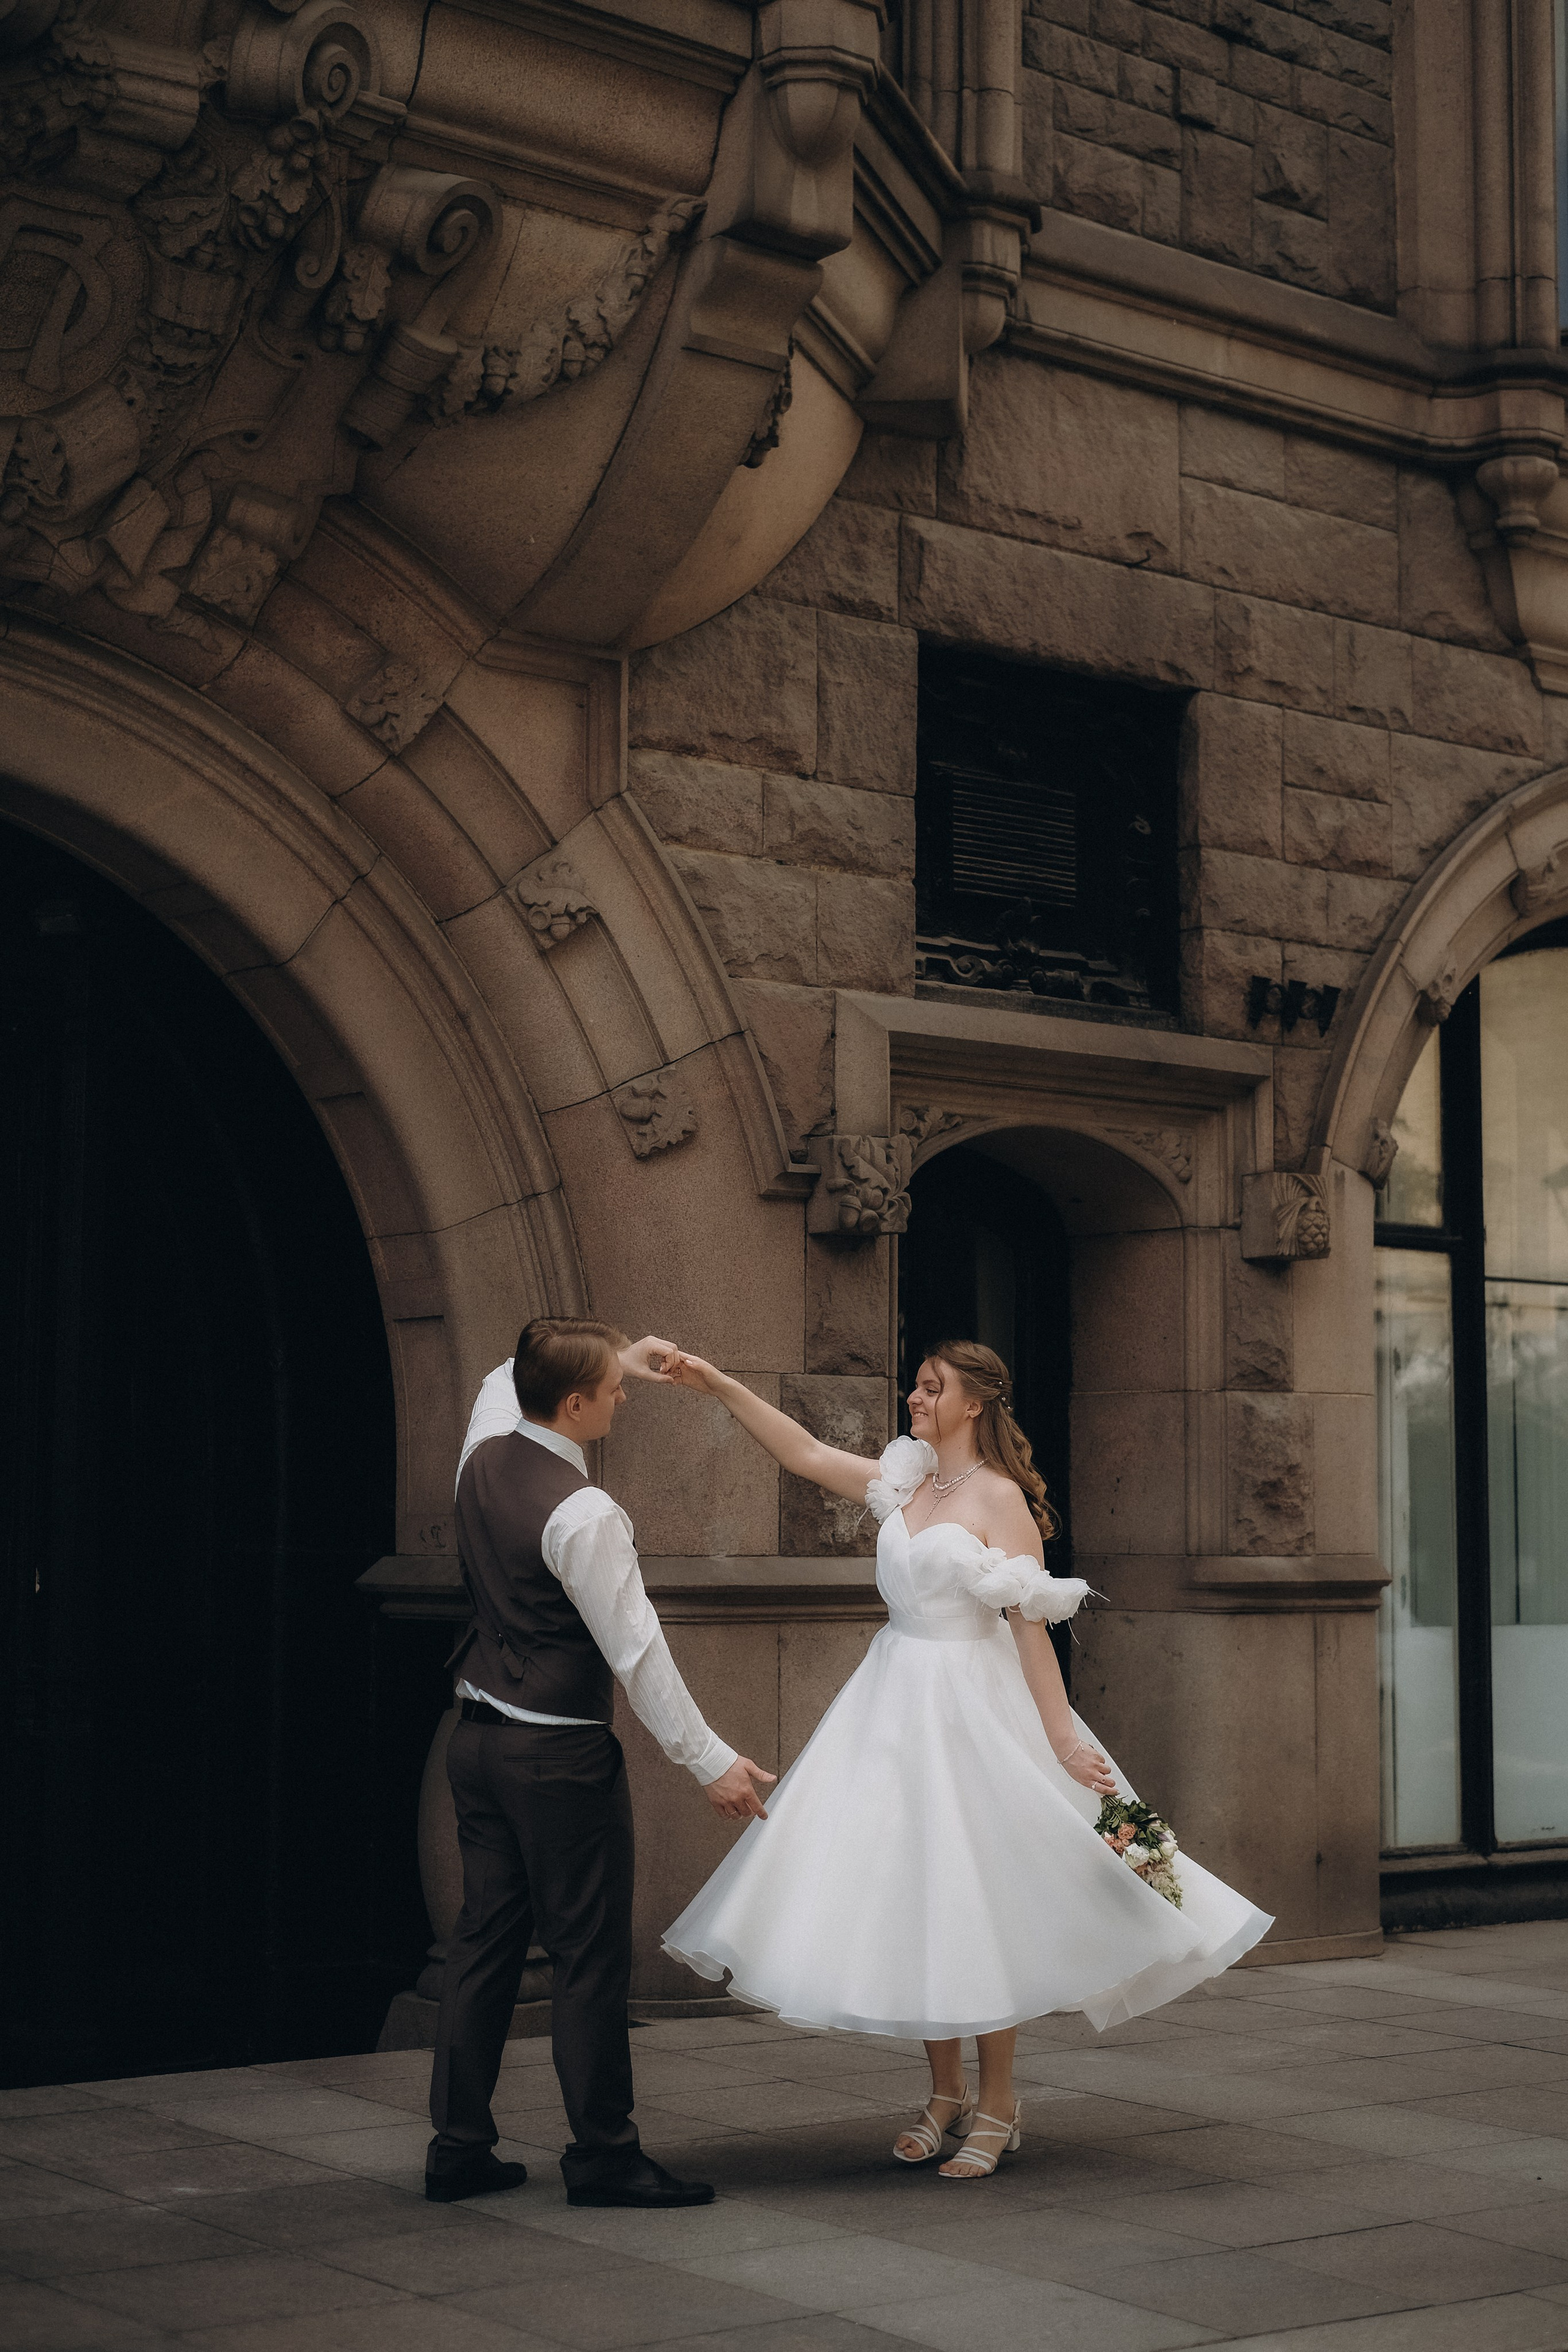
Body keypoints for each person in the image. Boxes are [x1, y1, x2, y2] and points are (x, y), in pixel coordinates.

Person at [661, 1339, 1273, 2180]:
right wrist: (720, 1382)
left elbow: (1031, 1626)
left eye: (931, 1388)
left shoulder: (1002, 1500)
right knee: (917, 1896)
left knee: (980, 1896)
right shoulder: (905, 1480)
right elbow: (803, 1454)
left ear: (974, 1403)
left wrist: (1061, 1737)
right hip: (891, 1704)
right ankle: (943, 2094)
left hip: (975, 1708)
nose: (915, 1399)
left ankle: (999, 2101)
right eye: (915, 1386)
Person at [426, 1317, 775, 2208]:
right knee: (587, 1958)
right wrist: (713, 1764)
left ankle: (459, 2149)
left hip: (475, 1743)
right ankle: (604, 2158)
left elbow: (504, 1377)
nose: (626, 1393)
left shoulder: (482, 1453)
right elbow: (639, 1653)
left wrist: (615, 1354)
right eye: (614, 1387)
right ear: (574, 1404)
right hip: (556, 1756)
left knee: (483, 1946)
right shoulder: (584, 1513)